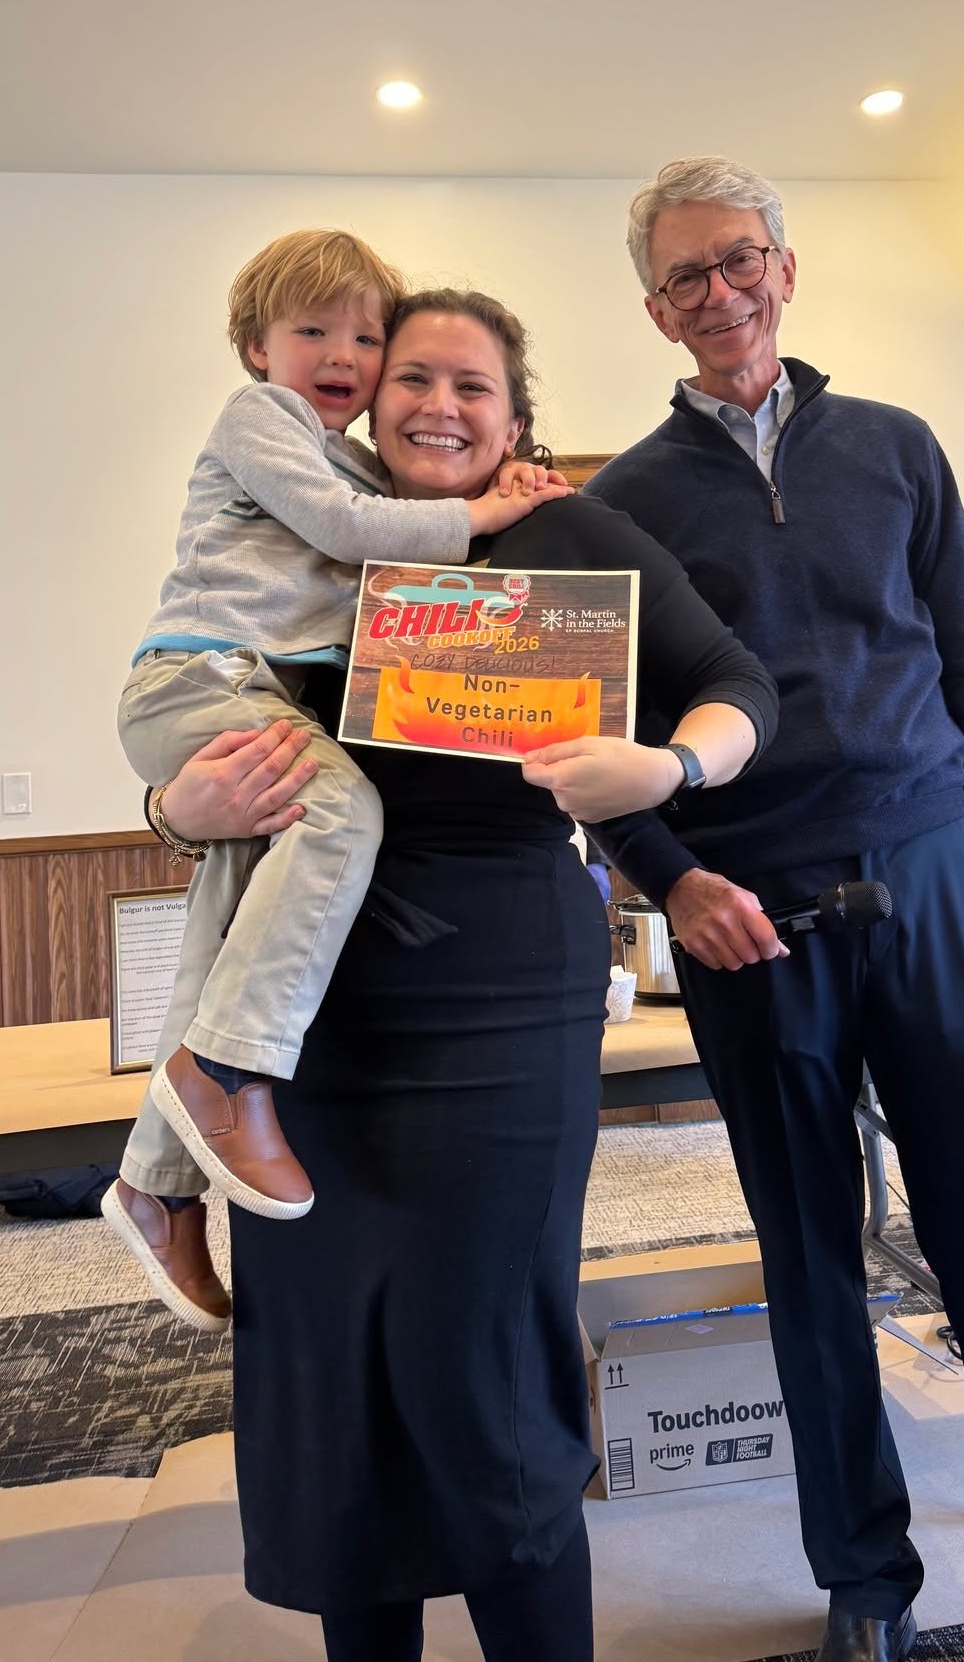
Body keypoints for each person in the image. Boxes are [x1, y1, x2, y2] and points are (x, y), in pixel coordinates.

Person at [581, 157, 964, 1662]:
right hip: (748, 929)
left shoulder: (899, 449)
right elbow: (597, 750)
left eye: (742, 259)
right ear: (655, 309)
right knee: (813, 1266)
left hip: (932, 897)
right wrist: (673, 880)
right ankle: (866, 1584)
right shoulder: (618, 502)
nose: (723, 294)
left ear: (787, 265)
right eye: (688, 277)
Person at [150, 287, 779, 1661]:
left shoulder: (572, 533)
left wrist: (669, 771)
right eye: (412, 377)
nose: (440, 404)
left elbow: (738, 682)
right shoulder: (319, 528)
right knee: (333, 1385)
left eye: (473, 385)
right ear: (369, 398)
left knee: (482, 1360)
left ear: (516, 412)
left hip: (498, 994)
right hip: (303, 1021)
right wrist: (176, 811)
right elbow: (201, 722)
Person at [106, 230, 569, 1332]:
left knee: (226, 900)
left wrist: (506, 496)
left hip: (256, 701)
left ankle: (157, 1182)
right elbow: (350, 532)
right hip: (207, 680)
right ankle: (232, 1075)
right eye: (312, 330)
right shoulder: (264, 423)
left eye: (367, 336)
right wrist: (486, 513)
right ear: (255, 345)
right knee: (339, 808)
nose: (341, 354)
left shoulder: (360, 460)